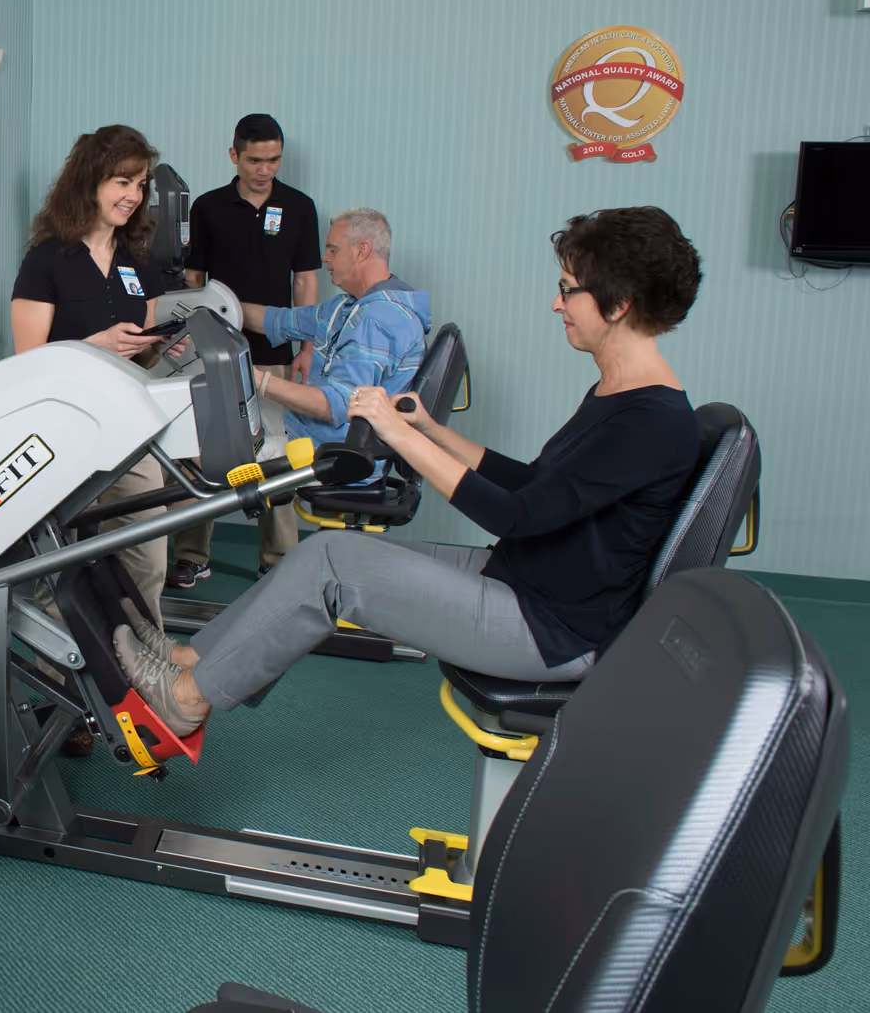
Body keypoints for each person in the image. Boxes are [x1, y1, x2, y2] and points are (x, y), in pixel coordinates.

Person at [115, 207, 704, 737]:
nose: (557, 303)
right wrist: (428, 428)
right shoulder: (621, 393)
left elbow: (516, 515)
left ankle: (187, 700)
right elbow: (534, 483)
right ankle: (193, 661)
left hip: (550, 630)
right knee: (322, 554)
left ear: (619, 304)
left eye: (568, 290)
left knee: (333, 564)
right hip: (526, 580)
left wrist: (396, 437)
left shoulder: (649, 421)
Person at [13, 126, 184, 753]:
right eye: (123, 182)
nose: (135, 195)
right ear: (90, 181)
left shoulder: (139, 262)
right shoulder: (48, 258)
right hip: (62, 436)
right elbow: (27, 358)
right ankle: (67, 701)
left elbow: (148, 342)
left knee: (145, 559)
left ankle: (150, 684)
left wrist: (164, 344)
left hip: (129, 429)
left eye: (141, 185)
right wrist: (95, 345)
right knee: (63, 574)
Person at [174, 114, 321, 585]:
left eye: (274, 160)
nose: (265, 169)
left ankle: (278, 560)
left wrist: (307, 345)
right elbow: (192, 281)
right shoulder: (208, 208)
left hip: (275, 349)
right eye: (255, 160)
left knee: (277, 451)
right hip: (213, 350)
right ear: (234, 155)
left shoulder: (299, 207)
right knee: (204, 449)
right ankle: (192, 554)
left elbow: (305, 280)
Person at [236, 208, 429, 456]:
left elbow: (335, 405)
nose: (324, 258)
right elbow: (280, 320)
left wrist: (255, 379)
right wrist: (222, 307)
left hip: (329, 460)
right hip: (303, 438)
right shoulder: (348, 306)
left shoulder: (378, 320)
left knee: (208, 466)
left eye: (333, 249)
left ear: (362, 252)